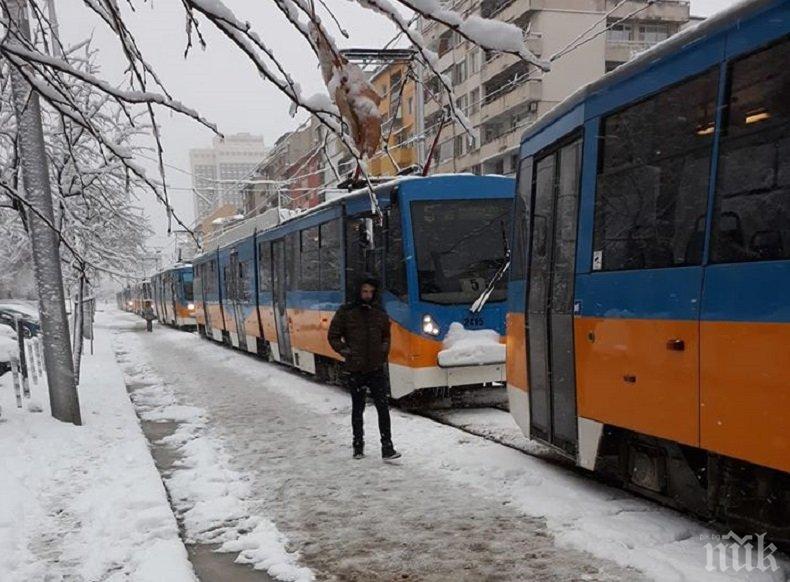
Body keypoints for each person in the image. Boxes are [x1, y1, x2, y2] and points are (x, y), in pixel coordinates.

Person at [328, 277, 400, 461]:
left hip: (376, 367)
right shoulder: (346, 312)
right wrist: (346, 351)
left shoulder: (379, 312)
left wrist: (384, 350)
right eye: (365, 291)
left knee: (383, 409)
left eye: (371, 292)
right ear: (358, 292)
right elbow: (333, 335)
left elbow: (386, 335)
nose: (368, 295)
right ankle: (358, 446)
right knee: (358, 409)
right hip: (356, 369)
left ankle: (387, 447)